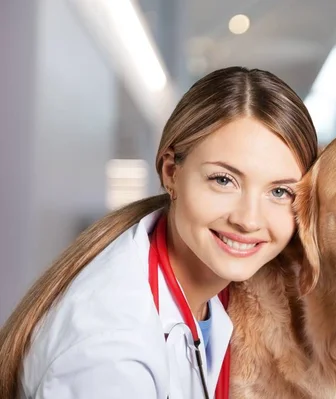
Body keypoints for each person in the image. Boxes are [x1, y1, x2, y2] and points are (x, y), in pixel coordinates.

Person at [0, 66, 319, 399]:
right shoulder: (110, 357)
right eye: (223, 180)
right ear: (171, 171)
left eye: (280, 192)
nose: (249, 220)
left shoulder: (213, 295)